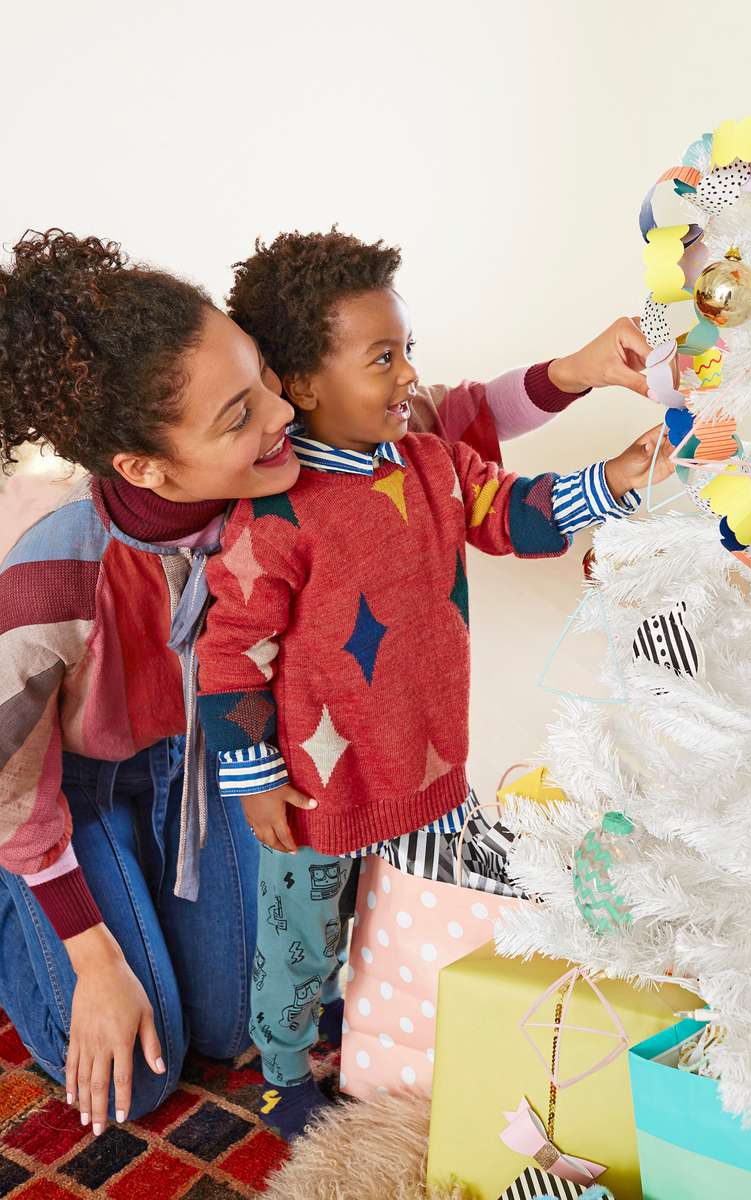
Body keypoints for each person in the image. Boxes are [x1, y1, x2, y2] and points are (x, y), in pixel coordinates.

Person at [0, 228, 663, 1136]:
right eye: (240, 413)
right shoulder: (52, 576)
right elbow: (13, 788)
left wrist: (578, 378)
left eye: (267, 378)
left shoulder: (307, 466)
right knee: (141, 1077)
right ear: (147, 468)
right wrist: (92, 959)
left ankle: (162, 925)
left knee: (232, 1028)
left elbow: (451, 426)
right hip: (60, 802)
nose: (279, 415)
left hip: (199, 774)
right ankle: (33, 919)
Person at [196, 228, 674, 1137]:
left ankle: (386, 1018)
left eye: (409, 350)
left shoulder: (430, 464)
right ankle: (286, 1069)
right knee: (300, 940)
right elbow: (233, 654)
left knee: (430, 907)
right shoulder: (274, 515)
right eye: (384, 358)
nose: (409, 374)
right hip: (317, 788)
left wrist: (618, 478)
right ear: (299, 386)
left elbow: (514, 516)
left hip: (428, 768)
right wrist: (253, 775)